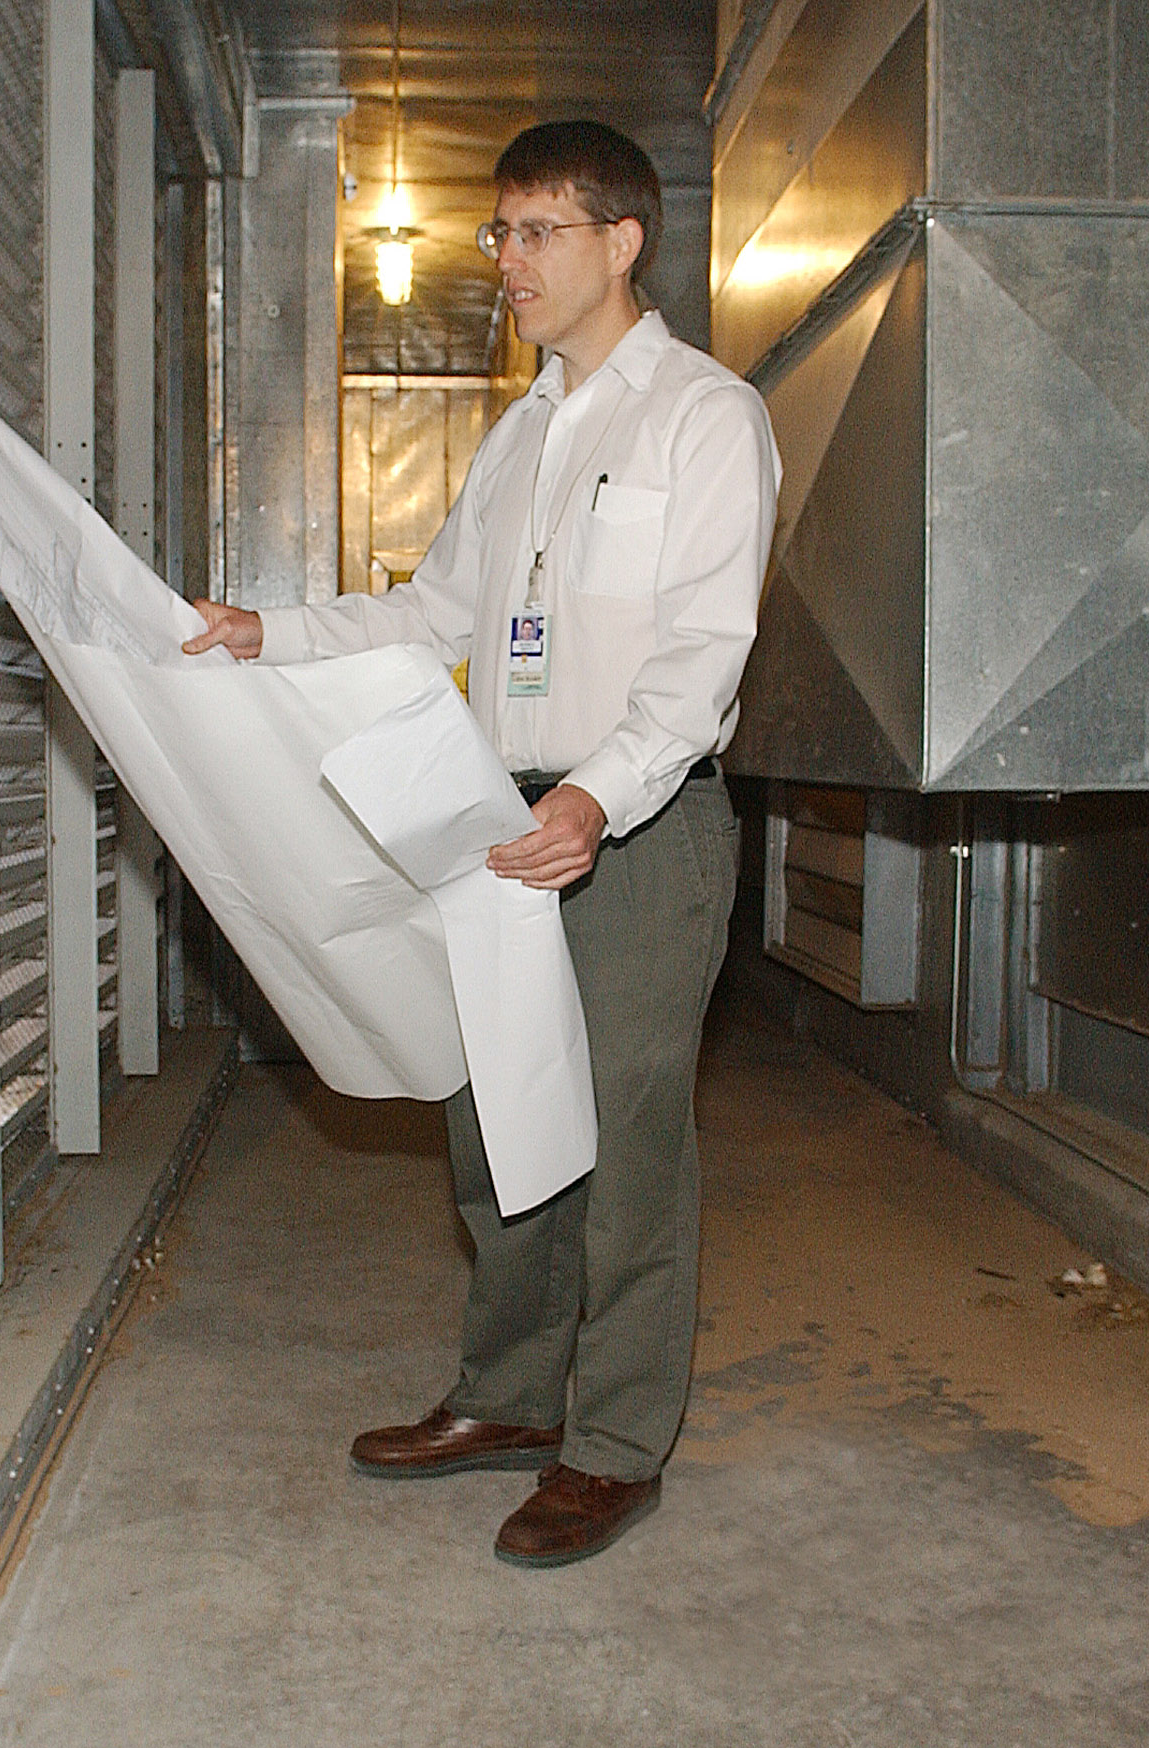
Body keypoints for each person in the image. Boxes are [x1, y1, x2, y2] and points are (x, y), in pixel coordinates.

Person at [186, 119, 780, 1567]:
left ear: (622, 242)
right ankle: (511, 1397)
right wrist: (270, 633)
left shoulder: (704, 418)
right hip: (497, 814)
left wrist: (597, 795)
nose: (507, 260)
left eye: (535, 232)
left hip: (635, 826)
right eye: (499, 234)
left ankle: (615, 1444)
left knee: (628, 1140)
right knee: (494, 1119)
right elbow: (434, 611)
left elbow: (703, 649)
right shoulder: (521, 432)